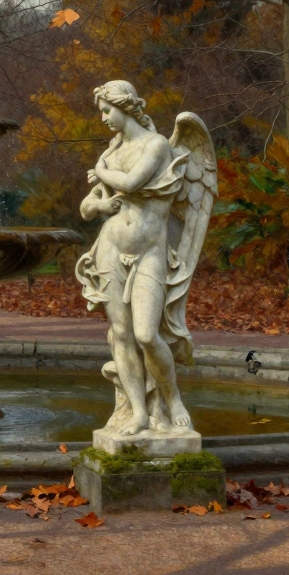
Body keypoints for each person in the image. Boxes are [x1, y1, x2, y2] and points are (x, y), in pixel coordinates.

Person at [77, 81, 191, 435]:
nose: (103, 118)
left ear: (124, 107)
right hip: (110, 249)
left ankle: (172, 401)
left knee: (145, 334)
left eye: (106, 110)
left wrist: (101, 173)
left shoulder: (155, 146)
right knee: (121, 334)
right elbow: (86, 208)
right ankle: (139, 412)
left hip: (149, 253)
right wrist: (98, 203)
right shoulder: (110, 154)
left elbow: (131, 182)